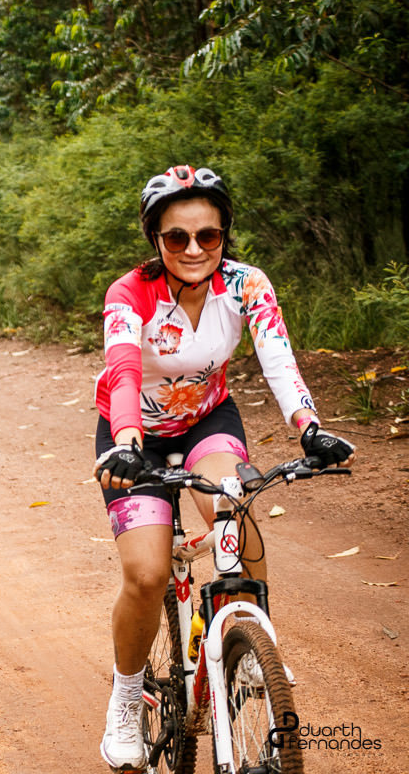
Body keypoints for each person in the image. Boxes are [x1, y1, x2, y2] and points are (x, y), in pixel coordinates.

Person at [92, 165, 356, 771]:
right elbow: (124, 370)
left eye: (207, 235)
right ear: (155, 239)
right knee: (146, 573)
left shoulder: (246, 284)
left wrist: (309, 428)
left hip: (207, 419)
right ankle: (126, 698)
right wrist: (127, 442)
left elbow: (278, 359)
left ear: (224, 235)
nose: (193, 249)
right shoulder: (129, 293)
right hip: (134, 435)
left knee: (237, 507)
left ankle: (255, 641)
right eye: (176, 237)